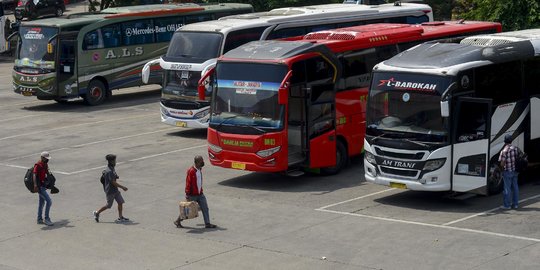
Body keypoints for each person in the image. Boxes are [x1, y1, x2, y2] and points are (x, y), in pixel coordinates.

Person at [174, 155, 217, 229]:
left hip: (200, 194)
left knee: (205, 208)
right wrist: (187, 194)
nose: (203, 162)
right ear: (197, 163)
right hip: (192, 195)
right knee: (187, 209)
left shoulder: (199, 169)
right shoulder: (191, 171)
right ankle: (178, 221)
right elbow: (188, 183)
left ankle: (207, 223)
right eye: (201, 161)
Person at [93, 154, 129, 223]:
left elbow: (113, 178)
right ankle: (97, 213)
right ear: (111, 161)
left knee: (120, 202)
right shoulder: (109, 170)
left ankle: (120, 217)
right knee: (108, 205)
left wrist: (116, 176)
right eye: (114, 160)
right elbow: (113, 182)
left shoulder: (112, 168)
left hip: (115, 190)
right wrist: (122, 187)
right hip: (110, 191)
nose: (115, 161)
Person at [499, 134, 520, 210]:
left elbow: (502, 163)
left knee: (507, 189)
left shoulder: (504, 151)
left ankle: (507, 205)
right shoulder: (515, 148)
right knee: (515, 187)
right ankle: (515, 204)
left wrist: (502, 168)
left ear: (505, 141)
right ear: (511, 140)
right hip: (515, 171)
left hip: (507, 171)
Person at [34, 151, 53, 226]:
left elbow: (47, 173)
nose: (47, 160)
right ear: (42, 158)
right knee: (49, 201)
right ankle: (47, 219)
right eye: (46, 158)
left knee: (41, 203)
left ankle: (39, 219)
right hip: (39, 187)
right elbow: (34, 175)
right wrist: (35, 185)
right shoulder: (38, 165)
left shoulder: (45, 164)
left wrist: (51, 182)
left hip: (43, 186)